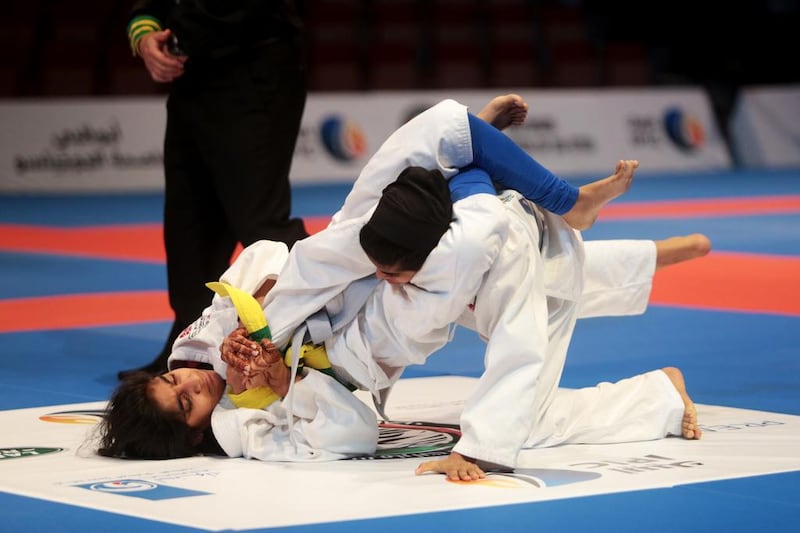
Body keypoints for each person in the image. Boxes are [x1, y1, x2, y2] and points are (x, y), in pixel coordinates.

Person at [118, 0, 310, 380]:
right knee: (189, 214)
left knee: (258, 218)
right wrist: (144, 34)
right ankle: (190, 343)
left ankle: (311, 342)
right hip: (193, 77)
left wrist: (178, 38)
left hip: (254, 70)